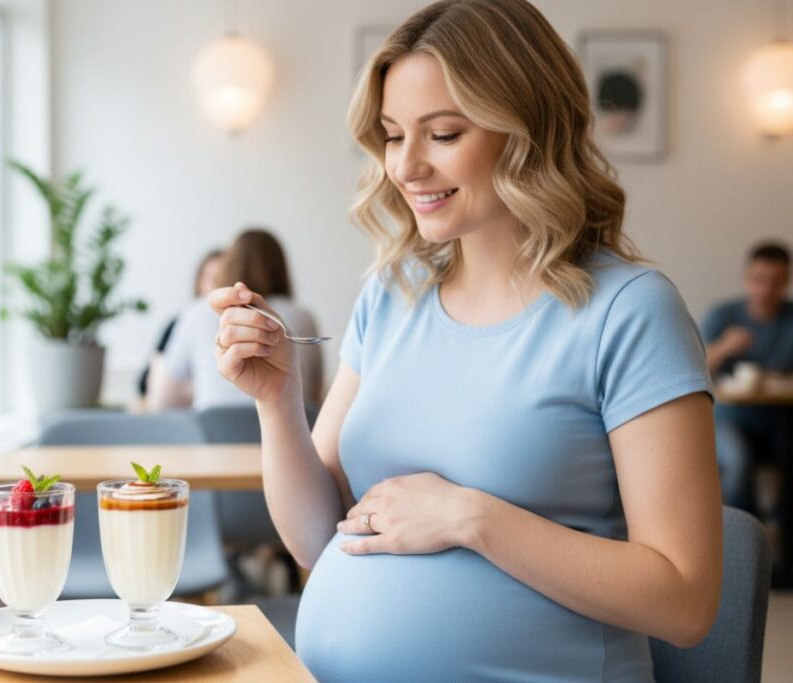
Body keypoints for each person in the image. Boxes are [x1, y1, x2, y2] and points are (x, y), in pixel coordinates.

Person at [209, 1, 722, 681]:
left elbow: (686, 599)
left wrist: (470, 517)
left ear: (528, 132)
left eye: (443, 133)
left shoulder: (629, 311)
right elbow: (314, 539)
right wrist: (277, 400)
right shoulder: (392, 295)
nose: (406, 166)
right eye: (393, 135)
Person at [148, 228, 322, 410]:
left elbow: (163, 400)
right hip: (292, 431)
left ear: (229, 263)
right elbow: (314, 394)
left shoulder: (196, 312)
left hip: (213, 432)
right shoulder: (304, 317)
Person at [702, 241, 793, 513]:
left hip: (783, 417)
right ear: (747, 277)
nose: (766, 289)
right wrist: (724, 347)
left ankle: (785, 541)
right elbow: (695, 368)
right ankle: (751, 536)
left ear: (786, 281)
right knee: (738, 461)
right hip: (730, 417)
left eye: (776, 282)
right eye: (759, 280)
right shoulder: (723, 315)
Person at [136, 249, 223, 402]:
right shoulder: (179, 322)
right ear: (200, 283)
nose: (220, 289)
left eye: (226, 280)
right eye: (214, 280)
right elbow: (144, 383)